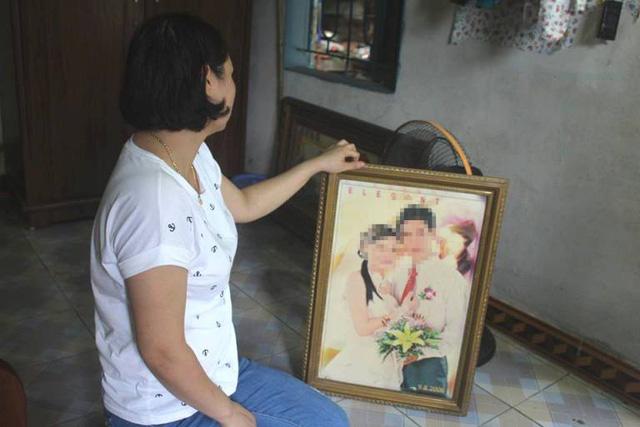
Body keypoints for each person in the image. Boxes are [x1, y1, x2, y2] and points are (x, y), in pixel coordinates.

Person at [90, 13, 363, 427]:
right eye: (230, 74)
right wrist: (232, 415)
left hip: (213, 371)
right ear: (208, 81)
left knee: (329, 419)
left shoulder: (187, 152)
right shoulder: (153, 201)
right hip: (165, 409)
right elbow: (162, 350)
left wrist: (316, 165)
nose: (234, 84)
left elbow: (245, 204)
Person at [319, 225, 411, 390]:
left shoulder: (386, 283)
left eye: (393, 250)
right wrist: (400, 311)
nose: (388, 255)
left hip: (386, 362)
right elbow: (362, 328)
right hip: (363, 362)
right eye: (381, 248)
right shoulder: (357, 279)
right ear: (367, 248)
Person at [392, 205, 468, 398]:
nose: (413, 241)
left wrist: (419, 353)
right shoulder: (398, 275)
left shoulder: (451, 279)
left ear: (433, 234)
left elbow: (456, 332)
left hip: (429, 366)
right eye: (407, 234)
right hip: (393, 364)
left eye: (420, 233)